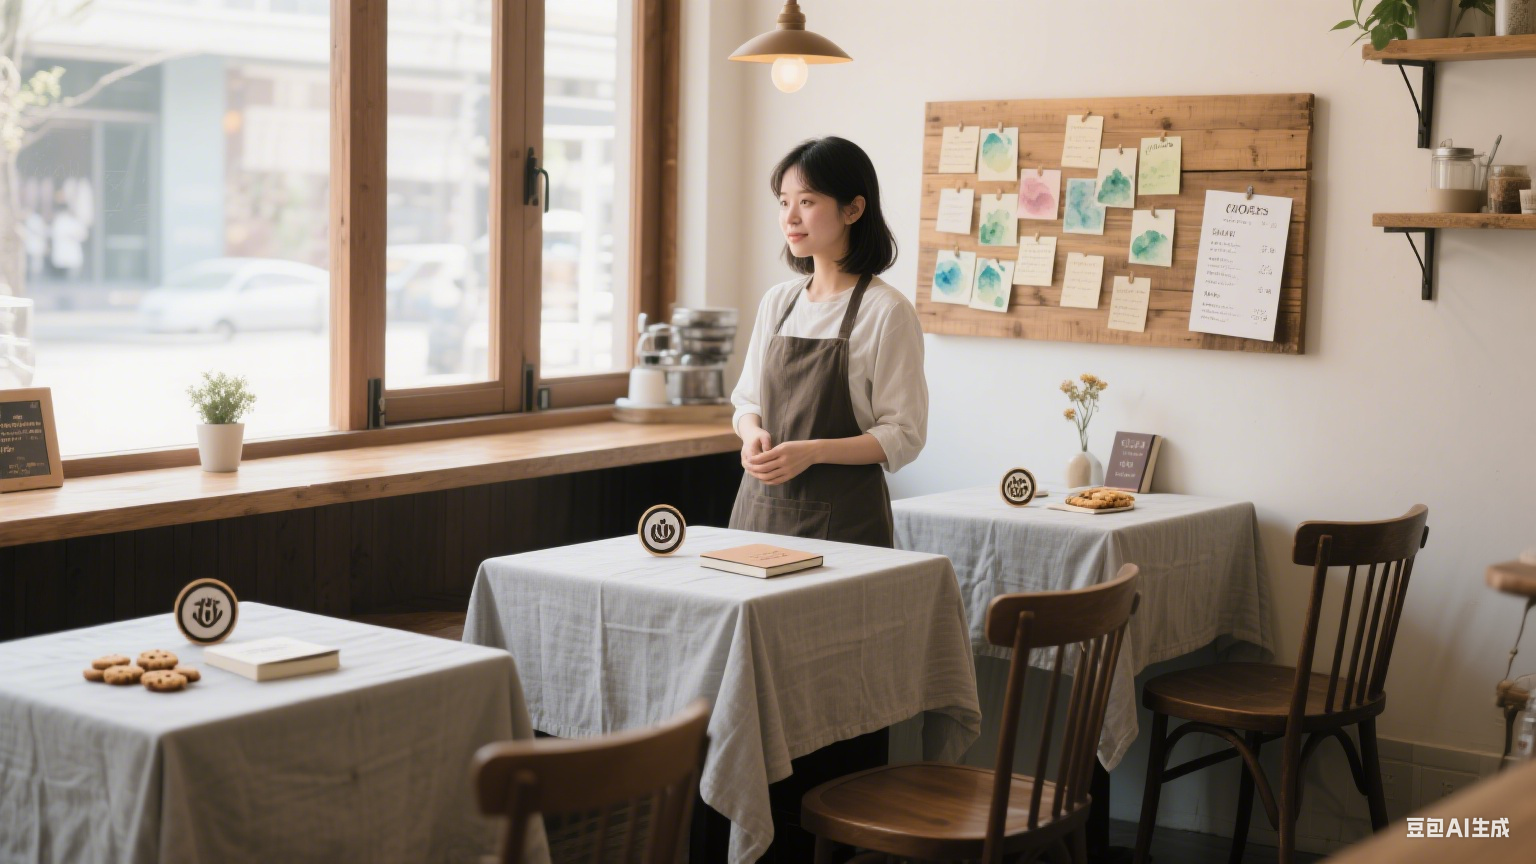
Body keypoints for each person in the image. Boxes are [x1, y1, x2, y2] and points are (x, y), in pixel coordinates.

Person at [728, 136, 927, 548]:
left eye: (807, 201)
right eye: (784, 202)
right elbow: (747, 402)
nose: (790, 217)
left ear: (853, 209)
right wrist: (750, 436)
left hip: (846, 524)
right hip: (759, 511)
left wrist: (813, 452)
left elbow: (903, 434)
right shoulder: (778, 302)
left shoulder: (887, 311)